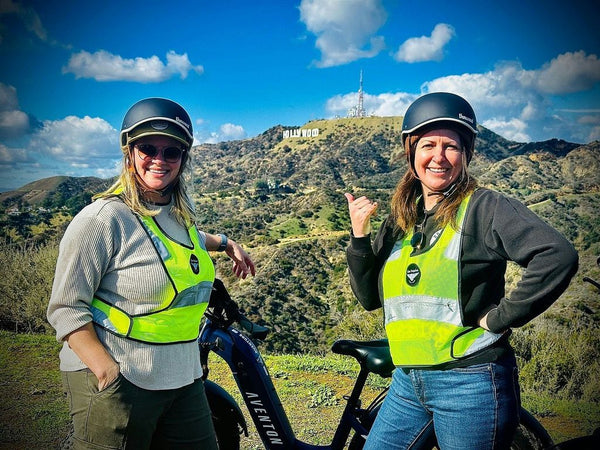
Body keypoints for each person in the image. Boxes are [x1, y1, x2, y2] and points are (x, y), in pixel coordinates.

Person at [344, 92, 578, 449]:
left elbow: (556, 255)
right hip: (408, 381)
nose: (438, 157)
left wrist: (502, 318)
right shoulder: (401, 217)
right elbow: (369, 299)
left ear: (466, 154)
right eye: (428, 145)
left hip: (471, 383)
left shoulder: (485, 207)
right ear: (411, 151)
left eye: (451, 146)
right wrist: (359, 237)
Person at [47, 97, 255, 449]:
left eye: (171, 152)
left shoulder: (178, 219)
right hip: (121, 376)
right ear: (129, 153)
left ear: (183, 160)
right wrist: (107, 372)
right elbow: (66, 309)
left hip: (182, 376)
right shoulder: (101, 219)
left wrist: (225, 242)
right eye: (147, 148)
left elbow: (178, 242)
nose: (159, 159)